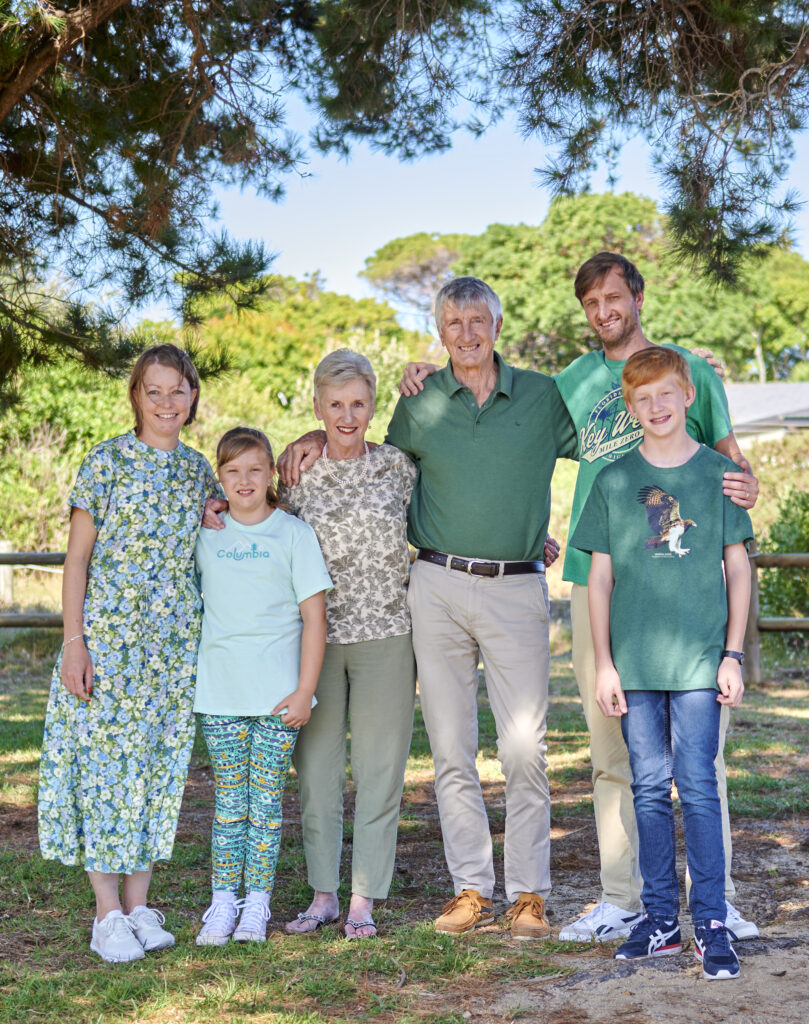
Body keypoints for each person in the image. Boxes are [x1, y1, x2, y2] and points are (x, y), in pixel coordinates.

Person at [399, 252, 759, 943]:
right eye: (591, 303)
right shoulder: (566, 384)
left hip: (685, 590)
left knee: (700, 759)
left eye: (613, 297)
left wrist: (748, 486)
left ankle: (718, 901)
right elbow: (498, 433)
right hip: (601, 581)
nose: (603, 311)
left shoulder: (691, 372)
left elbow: (731, 463)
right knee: (612, 754)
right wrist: (420, 374)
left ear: (638, 297)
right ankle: (623, 897)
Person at [279, 280, 579, 940]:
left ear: (497, 325)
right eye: (453, 322)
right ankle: (470, 888)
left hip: (515, 586)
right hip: (436, 585)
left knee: (524, 749)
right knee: (450, 749)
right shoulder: (420, 402)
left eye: (477, 320)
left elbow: (607, 452)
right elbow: (356, 445)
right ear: (439, 332)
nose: (466, 333)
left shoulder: (543, 395)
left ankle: (528, 893)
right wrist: (308, 434)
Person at [571, 346, 752, 981]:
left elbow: (737, 568)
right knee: (647, 789)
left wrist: (733, 654)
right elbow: (598, 580)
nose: (656, 406)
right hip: (635, 666)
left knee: (698, 786)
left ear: (688, 396)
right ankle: (660, 921)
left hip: (701, 662)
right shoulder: (613, 480)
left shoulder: (718, 474)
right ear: (630, 406)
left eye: (666, 394)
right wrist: (604, 665)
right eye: (642, 398)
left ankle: (712, 922)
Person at [38, 344, 218, 963]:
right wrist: (75, 643)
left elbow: (242, 511)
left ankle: (140, 907)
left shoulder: (199, 472)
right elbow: (77, 561)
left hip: (172, 653)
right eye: (154, 390)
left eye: (178, 390)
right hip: (108, 647)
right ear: (136, 396)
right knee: (106, 773)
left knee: (155, 774)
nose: (166, 402)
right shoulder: (105, 462)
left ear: (192, 397)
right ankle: (106, 915)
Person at [281, 350, 418, 939]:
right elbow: (256, 518)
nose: (346, 415)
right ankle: (323, 895)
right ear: (318, 407)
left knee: (379, 769)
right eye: (334, 404)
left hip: (386, 634)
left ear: (372, 405)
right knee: (317, 771)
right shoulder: (297, 473)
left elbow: (445, 519)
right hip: (315, 641)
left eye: (358, 403)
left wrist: (524, 538)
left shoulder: (397, 468)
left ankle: (363, 897)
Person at [193, 427, 330, 945]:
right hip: (221, 693)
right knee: (230, 802)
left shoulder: (292, 534)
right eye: (232, 471)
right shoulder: (205, 532)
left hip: (279, 697)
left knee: (266, 803)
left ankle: (256, 903)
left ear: (272, 472)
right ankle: (222, 902)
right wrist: (202, 510)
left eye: (254, 469)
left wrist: (304, 690)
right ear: (220, 477)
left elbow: (314, 619)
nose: (244, 480)